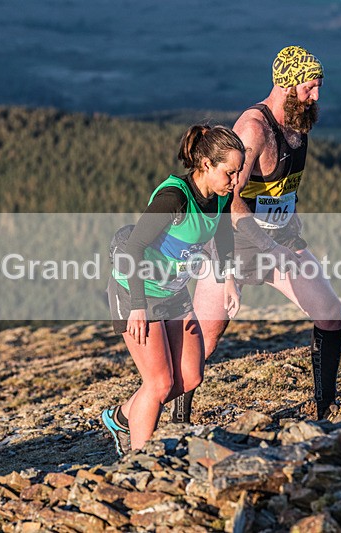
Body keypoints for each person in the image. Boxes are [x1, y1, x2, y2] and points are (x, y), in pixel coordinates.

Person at [171, 45, 341, 424]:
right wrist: (248, 254)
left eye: (318, 88)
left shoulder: (297, 122)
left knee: (330, 313)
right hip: (234, 245)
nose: (316, 96)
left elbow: (283, 189)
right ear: (286, 85)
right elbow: (228, 198)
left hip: (282, 242)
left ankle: (326, 413)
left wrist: (283, 233)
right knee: (204, 337)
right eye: (310, 88)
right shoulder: (253, 129)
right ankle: (178, 421)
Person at [102, 124, 244, 456]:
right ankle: (139, 462)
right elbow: (133, 247)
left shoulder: (220, 197)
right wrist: (137, 306)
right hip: (136, 292)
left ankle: (121, 417)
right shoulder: (175, 197)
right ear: (206, 165)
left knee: (190, 377)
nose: (236, 181)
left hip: (173, 293)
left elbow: (222, 238)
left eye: (238, 173)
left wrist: (228, 280)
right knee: (159, 384)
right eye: (230, 173)